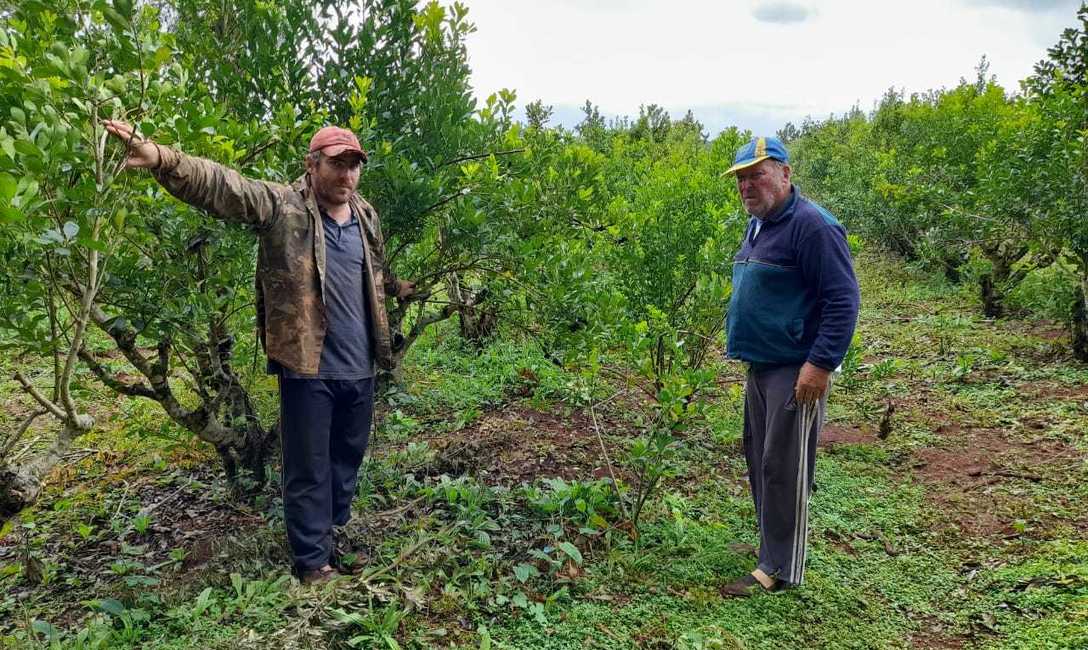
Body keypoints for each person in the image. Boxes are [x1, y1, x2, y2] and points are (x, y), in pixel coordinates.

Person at [104, 120, 415, 585]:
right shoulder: (282, 206)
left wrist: (395, 288)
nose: (347, 176)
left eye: (354, 166)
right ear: (312, 166)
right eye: (337, 165)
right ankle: (312, 563)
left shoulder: (365, 215)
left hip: (361, 365)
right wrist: (162, 158)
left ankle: (333, 536)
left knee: (346, 460)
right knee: (308, 466)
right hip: (309, 366)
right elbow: (223, 185)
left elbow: (371, 273)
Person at [720, 136, 859, 596]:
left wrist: (819, 364)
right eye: (741, 178)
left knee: (784, 466)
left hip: (793, 368)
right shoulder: (760, 223)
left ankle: (779, 568)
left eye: (756, 174)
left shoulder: (814, 226)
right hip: (761, 366)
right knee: (761, 459)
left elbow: (842, 300)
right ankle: (770, 546)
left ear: (784, 173)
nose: (747, 186)